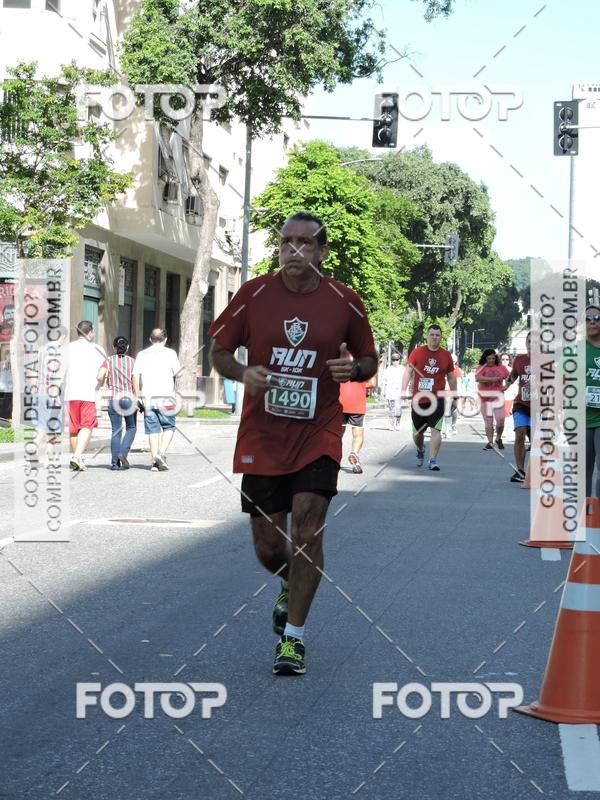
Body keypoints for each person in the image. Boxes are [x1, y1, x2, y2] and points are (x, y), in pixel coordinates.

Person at [208, 211, 377, 676]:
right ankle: (290, 582)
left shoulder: (345, 300)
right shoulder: (254, 294)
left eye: (305, 243)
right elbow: (219, 350)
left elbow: (367, 359)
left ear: (322, 251)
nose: (293, 250)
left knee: (307, 532)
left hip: (318, 431)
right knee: (268, 545)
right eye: (286, 242)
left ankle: (294, 639)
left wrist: (354, 370)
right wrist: (243, 373)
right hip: (263, 435)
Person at [402, 325, 457, 471]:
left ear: (441, 337)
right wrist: (403, 390)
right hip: (419, 399)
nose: (434, 337)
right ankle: (421, 449)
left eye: (437, 335)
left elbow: (451, 377)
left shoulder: (446, 355)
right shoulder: (417, 352)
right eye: (432, 334)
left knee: (436, 429)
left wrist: (454, 395)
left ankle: (433, 460)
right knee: (417, 433)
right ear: (427, 336)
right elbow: (408, 372)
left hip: (438, 398)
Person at [132, 328, 182, 472]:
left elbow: (135, 375)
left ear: (150, 339)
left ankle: (154, 460)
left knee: (152, 430)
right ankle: (161, 453)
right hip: (166, 397)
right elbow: (178, 374)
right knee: (169, 427)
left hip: (148, 398)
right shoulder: (170, 353)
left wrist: (138, 395)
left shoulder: (142, 354)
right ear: (165, 339)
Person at [63, 321, 107, 472]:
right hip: (88, 393)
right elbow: (101, 375)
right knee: (87, 426)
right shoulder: (98, 349)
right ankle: (77, 456)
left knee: (74, 428)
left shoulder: (67, 348)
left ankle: (77, 458)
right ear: (90, 332)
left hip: (70, 393)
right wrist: (101, 385)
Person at [98, 336, 137, 470]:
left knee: (116, 430)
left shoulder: (108, 360)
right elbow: (136, 381)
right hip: (128, 399)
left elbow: (99, 376)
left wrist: (103, 385)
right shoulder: (133, 362)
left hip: (113, 399)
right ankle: (123, 453)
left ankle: (114, 463)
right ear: (127, 347)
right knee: (131, 427)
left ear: (114, 347)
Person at [504, 332, 532, 482]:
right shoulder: (519, 359)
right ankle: (520, 471)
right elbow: (513, 375)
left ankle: (536, 472)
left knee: (536, 441)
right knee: (519, 434)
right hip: (521, 404)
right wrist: (506, 384)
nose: (530, 344)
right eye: (528, 341)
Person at [475, 348, 510, 450]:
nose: (491, 360)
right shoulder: (481, 367)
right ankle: (490, 442)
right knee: (488, 421)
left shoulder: (501, 368)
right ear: (485, 358)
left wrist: (507, 386)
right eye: (489, 358)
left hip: (498, 398)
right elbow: (477, 378)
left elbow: (510, 377)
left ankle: (498, 438)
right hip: (485, 398)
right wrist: (492, 379)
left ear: (496, 358)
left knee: (500, 420)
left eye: (493, 358)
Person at [339, 370, 368, 473]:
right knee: (357, 435)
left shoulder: (339, 358)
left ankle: (334, 459)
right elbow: (372, 382)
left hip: (340, 401)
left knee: (337, 435)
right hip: (357, 402)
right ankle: (354, 454)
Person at [585, 305, 600, 498]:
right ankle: (583, 518)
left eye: (597, 318)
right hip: (582, 418)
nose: (593, 321)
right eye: (588, 319)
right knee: (583, 471)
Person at [381, 353, 405, 430]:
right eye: (393, 360)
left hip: (399, 392)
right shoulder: (389, 369)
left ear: (399, 361)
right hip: (390, 392)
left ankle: (397, 423)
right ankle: (392, 424)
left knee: (398, 408)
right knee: (391, 408)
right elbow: (384, 381)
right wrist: (384, 391)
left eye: (397, 360)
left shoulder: (402, 369)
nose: (395, 362)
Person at [443, 357, 462, 437]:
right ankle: (447, 430)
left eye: (454, 361)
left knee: (453, 412)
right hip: (445, 393)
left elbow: (459, 382)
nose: (452, 363)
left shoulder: (457, 370)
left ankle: (453, 425)